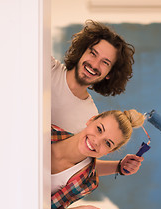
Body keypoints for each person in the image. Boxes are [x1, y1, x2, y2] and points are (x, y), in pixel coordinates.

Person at [51, 19, 142, 176]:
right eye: (93, 53)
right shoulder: (46, 67)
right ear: (82, 51)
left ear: (110, 74)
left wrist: (119, 166)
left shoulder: (90, 117)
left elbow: (75, 165)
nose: (94, 64)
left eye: (105, 63)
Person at [51, 109, 144, 209]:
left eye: (108, 143)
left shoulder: (87, 183)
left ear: (110, 151)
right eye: (99, 129)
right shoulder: (45, 130)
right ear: (91, 120)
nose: (96, 141)